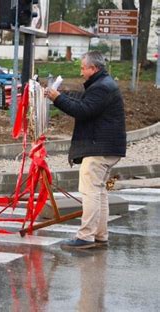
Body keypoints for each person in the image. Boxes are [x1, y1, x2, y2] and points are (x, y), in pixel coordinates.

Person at [45, 51, 126, 249]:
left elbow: (83, 110)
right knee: (99, 192)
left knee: (90, 191)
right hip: (107, 147)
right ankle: (100, 234)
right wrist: (61, 94)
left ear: (93, 68)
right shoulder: (103, 84)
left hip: (99, 147)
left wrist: (58, 99)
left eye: (83, 67)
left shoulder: (101, 87)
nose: (81, 71)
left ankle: (85, 236)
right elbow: (84, 101)